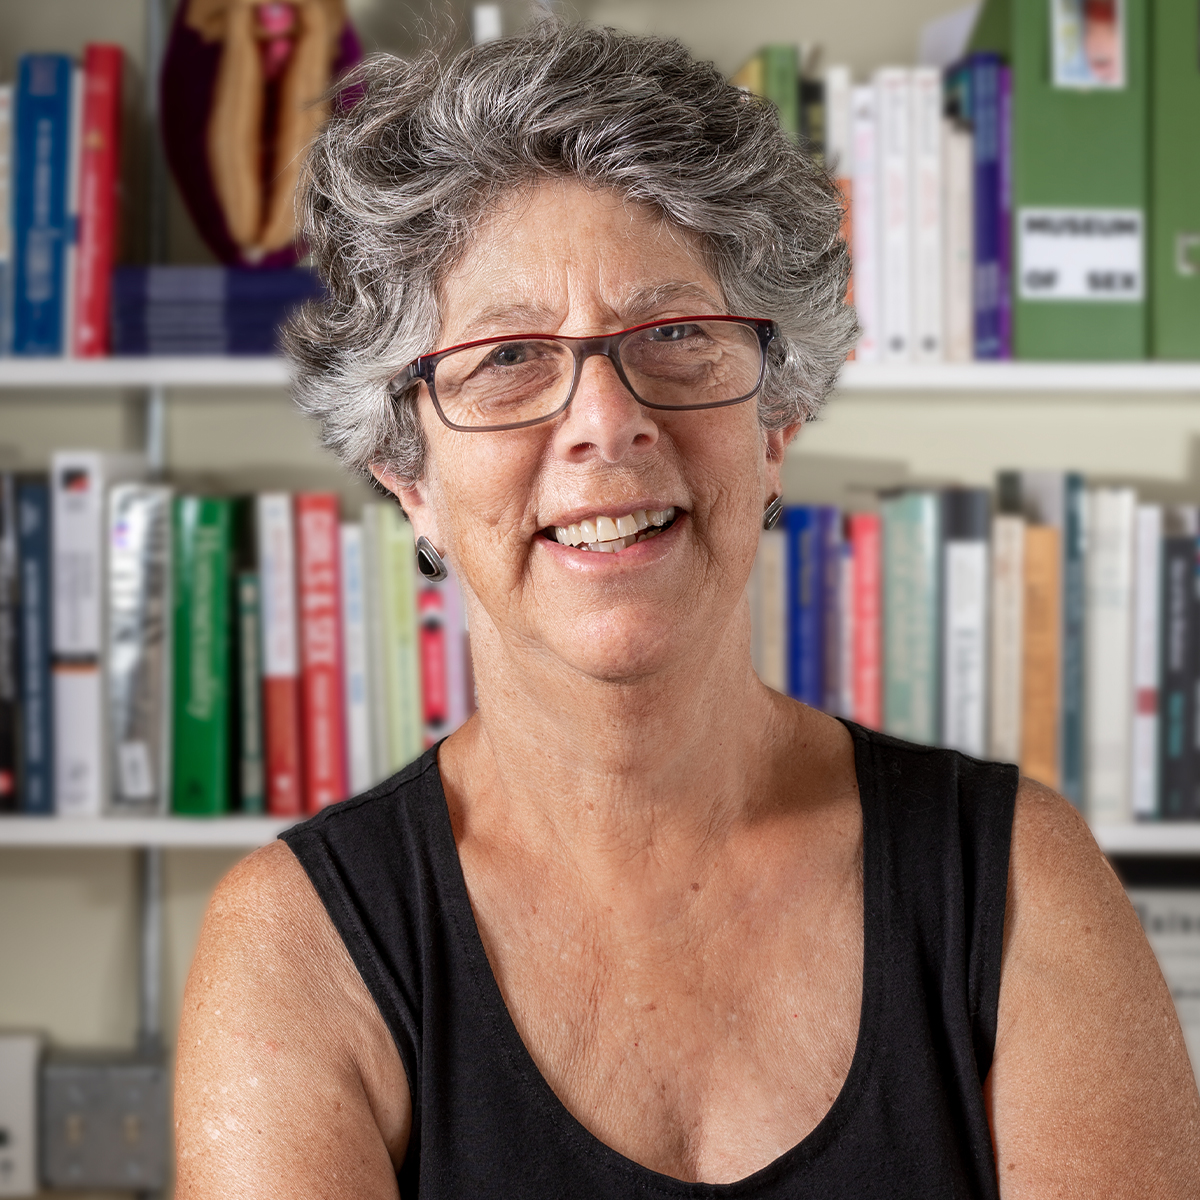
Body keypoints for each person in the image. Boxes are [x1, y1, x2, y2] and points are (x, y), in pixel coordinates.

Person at [174, 22, 1200, 1199]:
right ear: (410, 476)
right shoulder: (296, 951)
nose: (606, 420)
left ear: (778, 424)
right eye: (507, 357)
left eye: (676, 335)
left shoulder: (1022, 883)